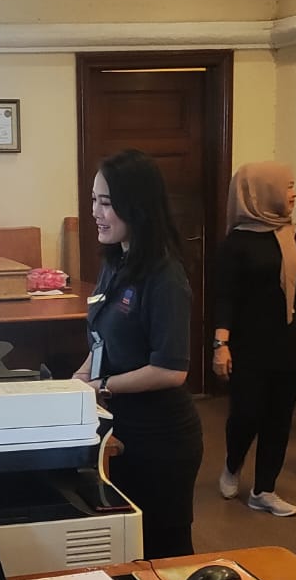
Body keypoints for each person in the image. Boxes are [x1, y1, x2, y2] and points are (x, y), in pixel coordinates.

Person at [73, 149, 203, 558]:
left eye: (106, 203)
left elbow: (170, 370)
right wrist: (75, 382)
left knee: (164, 552)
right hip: (121, 428)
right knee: (128, 548)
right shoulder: (116, 260)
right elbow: (102, 341)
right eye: (94, 200)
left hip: (160, 439)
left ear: (137, 206)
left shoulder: (164, 276)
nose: (95, 212)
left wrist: (101, 385)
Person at [212, 162, 296, 517]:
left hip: (290, 343)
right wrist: (221, 345)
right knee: (246, 415)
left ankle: (264, 490)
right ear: (262, 192)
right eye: (288, 186)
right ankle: (232, 464)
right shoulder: (237, 242)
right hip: (249, 345)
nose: (294, 193)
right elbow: (225, 297)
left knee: (279, 419)